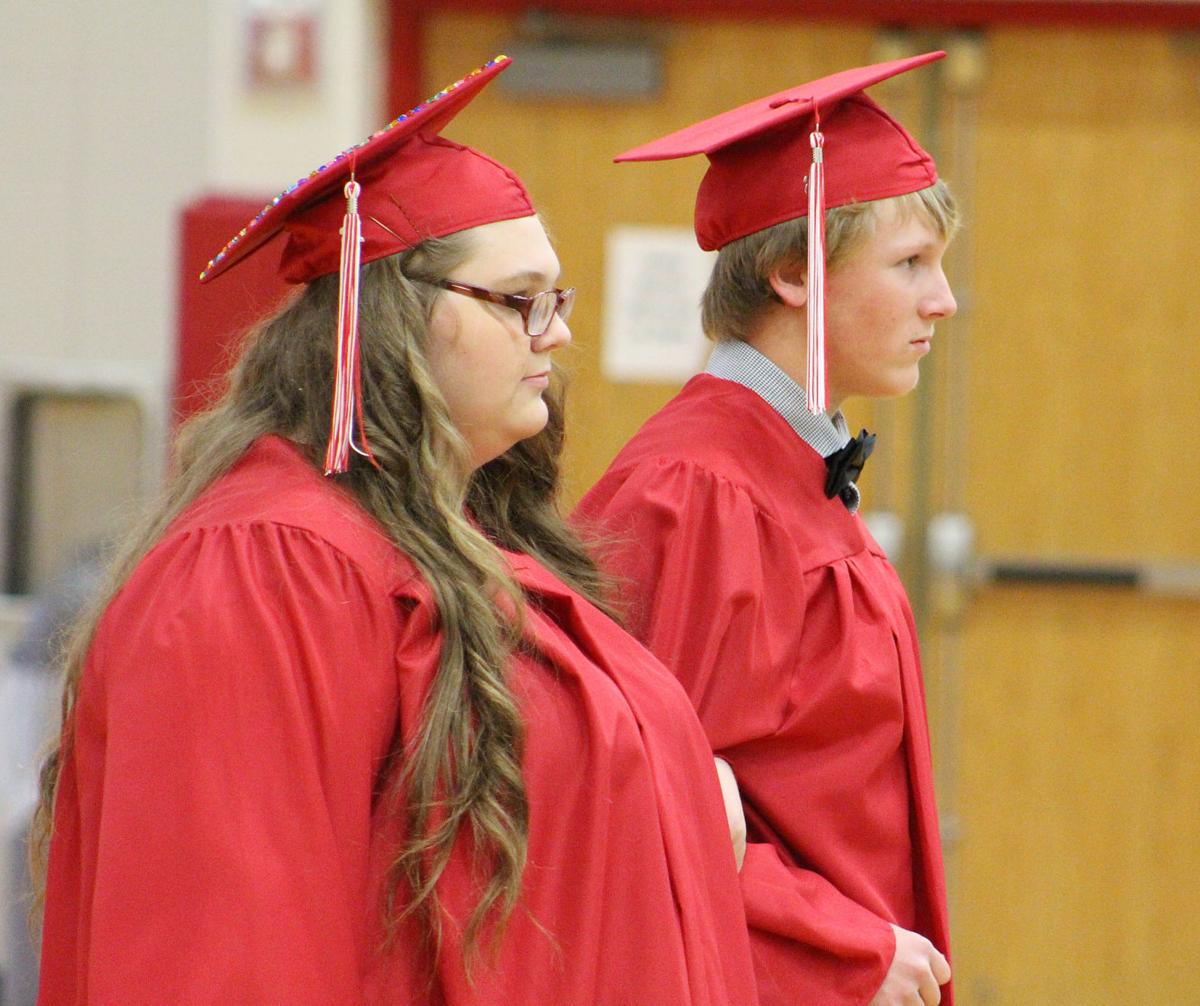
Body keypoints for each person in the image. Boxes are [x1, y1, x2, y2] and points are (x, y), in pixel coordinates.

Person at [31, 57, 758, 1005]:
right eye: (519, 299)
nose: (555, 334)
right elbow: (225, 950)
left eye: (558, 299)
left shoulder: (459, 549)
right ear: (388, 321)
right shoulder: (267, 568)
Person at [576, 53, 959, 1006]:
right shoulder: (696, 493)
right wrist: (843, 944)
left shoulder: (790, 465)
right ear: (794, 274)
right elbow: (642, 793)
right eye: (910, 264)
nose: (943, 299)